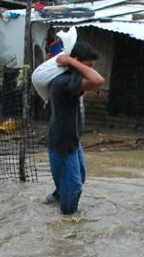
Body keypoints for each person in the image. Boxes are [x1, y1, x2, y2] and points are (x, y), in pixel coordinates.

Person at [45, 42, 105, 215]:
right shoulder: (64, 82)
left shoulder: (70, 80)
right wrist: (72, 62)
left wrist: (74, 63)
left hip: (71, 140)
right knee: (74, 188)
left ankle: (57, 197)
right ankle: (67, 223)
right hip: (63, 143)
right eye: (89, 66)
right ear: (77, 61)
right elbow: (98, 80)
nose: (91, 69)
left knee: (80, 176)